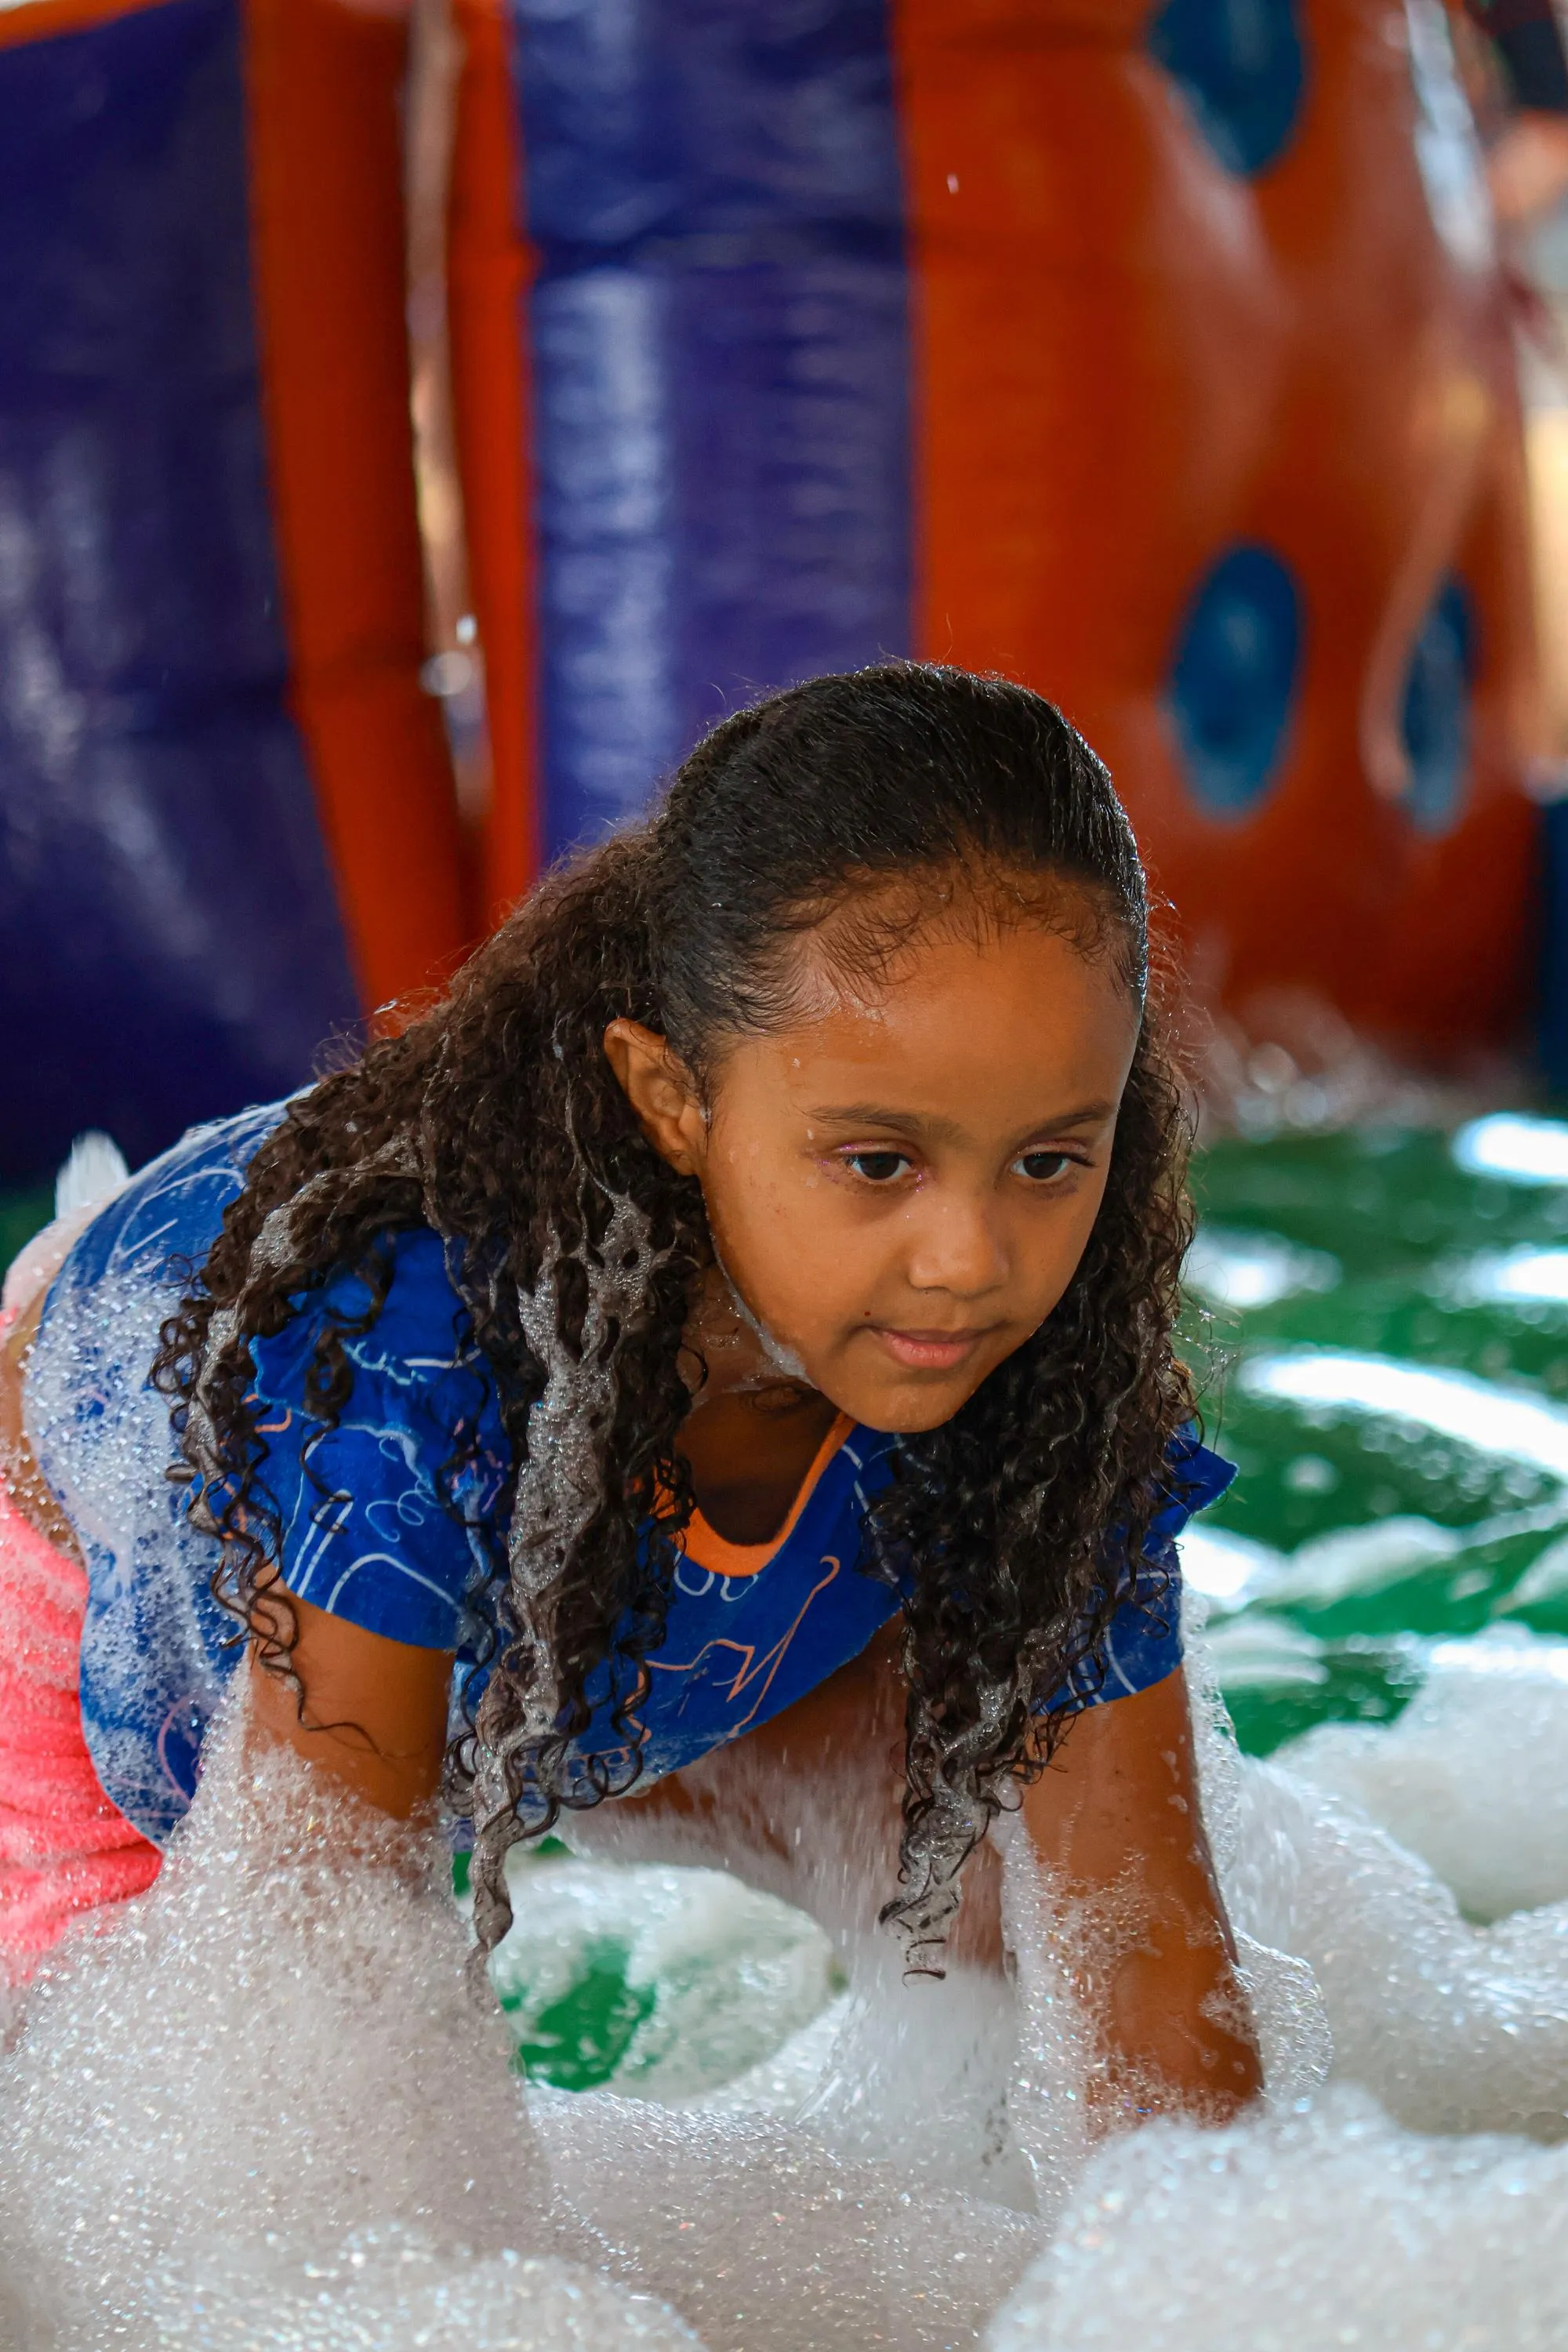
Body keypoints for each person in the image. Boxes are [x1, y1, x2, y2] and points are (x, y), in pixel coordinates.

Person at [0, 664, 1261, 2128]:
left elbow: (1154, 1955)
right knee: (122, 2134)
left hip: (593, 1592)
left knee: (1008, 1908)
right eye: (878, 1162)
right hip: (121, 1585)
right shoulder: (410, 1359)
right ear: (673, 1102)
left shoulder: (1050, 1368)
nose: (970, 1262)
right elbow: (320, 1981)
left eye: (1048, 1160)